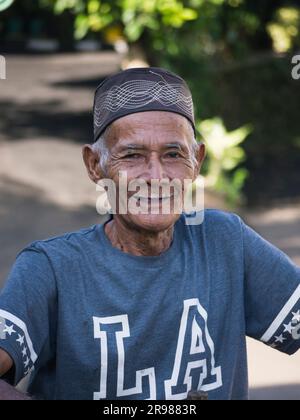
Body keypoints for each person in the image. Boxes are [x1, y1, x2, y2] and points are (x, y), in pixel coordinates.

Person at [0, 67, 299, 400]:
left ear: (196, 162)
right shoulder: (52, 267)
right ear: (95, 166)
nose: (156, 176)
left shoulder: (225, 241)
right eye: (132, 155)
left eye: (173, 155)